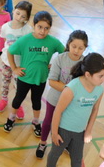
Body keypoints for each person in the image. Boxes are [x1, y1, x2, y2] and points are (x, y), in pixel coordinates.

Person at [44, 53, 104, 167]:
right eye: (100, 76)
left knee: (77, 157)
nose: (103, 80)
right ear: (87, 74)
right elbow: (58, 111)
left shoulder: (99, 90)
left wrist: (89, 131)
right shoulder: (72, 88)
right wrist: (54, 133)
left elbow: (95, 110)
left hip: (80, 131)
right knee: (55, 153)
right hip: (63, 129)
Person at [3, 11, 65, 135]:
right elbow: (10, 51)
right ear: (34, 25)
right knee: (18, 99)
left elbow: (64, 54)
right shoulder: (25, 40)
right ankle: (11, 118)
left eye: (46, 28)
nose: (42, 31)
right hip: (24, 78)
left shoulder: (53, 42)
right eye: (40, 27)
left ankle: (36, 121)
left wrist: (55, 66)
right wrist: (14, 68)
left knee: (36, 102)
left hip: (41, 79)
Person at [37, 30, 88, 159]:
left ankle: (64, 144)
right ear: (68, 44)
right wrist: (69, 90)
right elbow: (52, 81)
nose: (76, 50)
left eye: (80, 48)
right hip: (54, 99)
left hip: (71, 103)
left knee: (65, 125)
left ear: (85, 48)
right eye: (74, 46)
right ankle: (43, 143)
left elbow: (84, 83)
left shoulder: (85, 63)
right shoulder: (60, 59)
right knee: (48, 121)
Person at [0, 1, 33, 115]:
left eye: (23, 16)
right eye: (17, 13)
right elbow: (4, 41)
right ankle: (4, 99)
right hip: (7, 62)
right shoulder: (5, 27)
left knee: (19, 87)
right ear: (13, 10)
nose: (19, 17)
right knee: (5, 82)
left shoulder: (28, 30)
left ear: (27, 18)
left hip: (20, 65)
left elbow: (28, 47)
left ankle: (18, 104)